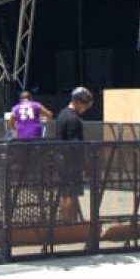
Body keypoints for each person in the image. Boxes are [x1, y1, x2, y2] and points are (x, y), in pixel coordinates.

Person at [53, 86, 92, 223]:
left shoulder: (62, 114)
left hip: (60, 159)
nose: (85, 108)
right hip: (71, 162)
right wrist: (86, 165)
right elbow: (76, 146)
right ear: (78, 102)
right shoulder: (73, 120)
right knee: (71, 193)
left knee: (64, 192)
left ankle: (63, 222)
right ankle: (70, 222)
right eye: (84, 105)